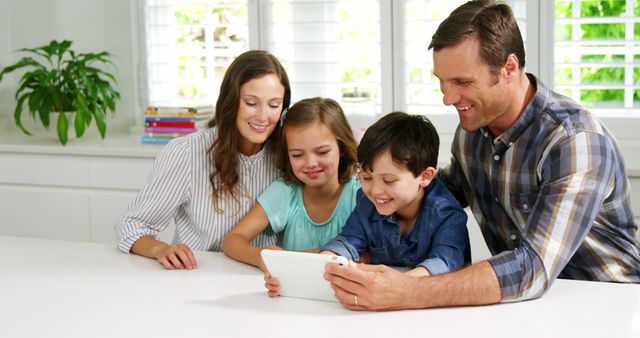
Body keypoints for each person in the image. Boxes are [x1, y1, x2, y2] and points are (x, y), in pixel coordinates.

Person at [323, 0, 640, 311]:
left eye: (462, 82)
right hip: (525, 306)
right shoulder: (471, 133)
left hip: (608, 307)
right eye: (442, 82)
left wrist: (407, 290)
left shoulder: (574, 142)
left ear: (509, 68)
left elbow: (532, 269)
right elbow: (435, 192)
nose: (448, 98)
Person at [114, 50, 291, 270]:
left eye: (274, 105)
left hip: (264, 282)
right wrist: (160, 249)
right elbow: (132, 224)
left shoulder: (289, 155)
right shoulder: (187, 153)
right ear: (232, 101)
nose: (263, 116)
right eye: (251, 103)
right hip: (195, 278)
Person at [320, 112, 469, 280]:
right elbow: (348, 241)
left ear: (425, 176)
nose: (375, 190)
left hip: (437, 301)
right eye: (366, 177)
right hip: (380, 295)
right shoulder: (367, 202)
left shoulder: (447, 214)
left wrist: (398, 283)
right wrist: (327, 258)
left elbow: (444, 262)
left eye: (389, 180)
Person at [223, 97, 359, 275]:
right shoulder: (285, 192)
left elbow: (368, 255)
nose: (311, 163)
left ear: (341, 147)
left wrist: (295, 257)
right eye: (297, 155)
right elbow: (232, 240)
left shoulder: (359, 195)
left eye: (322, 152)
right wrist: (259, 256)